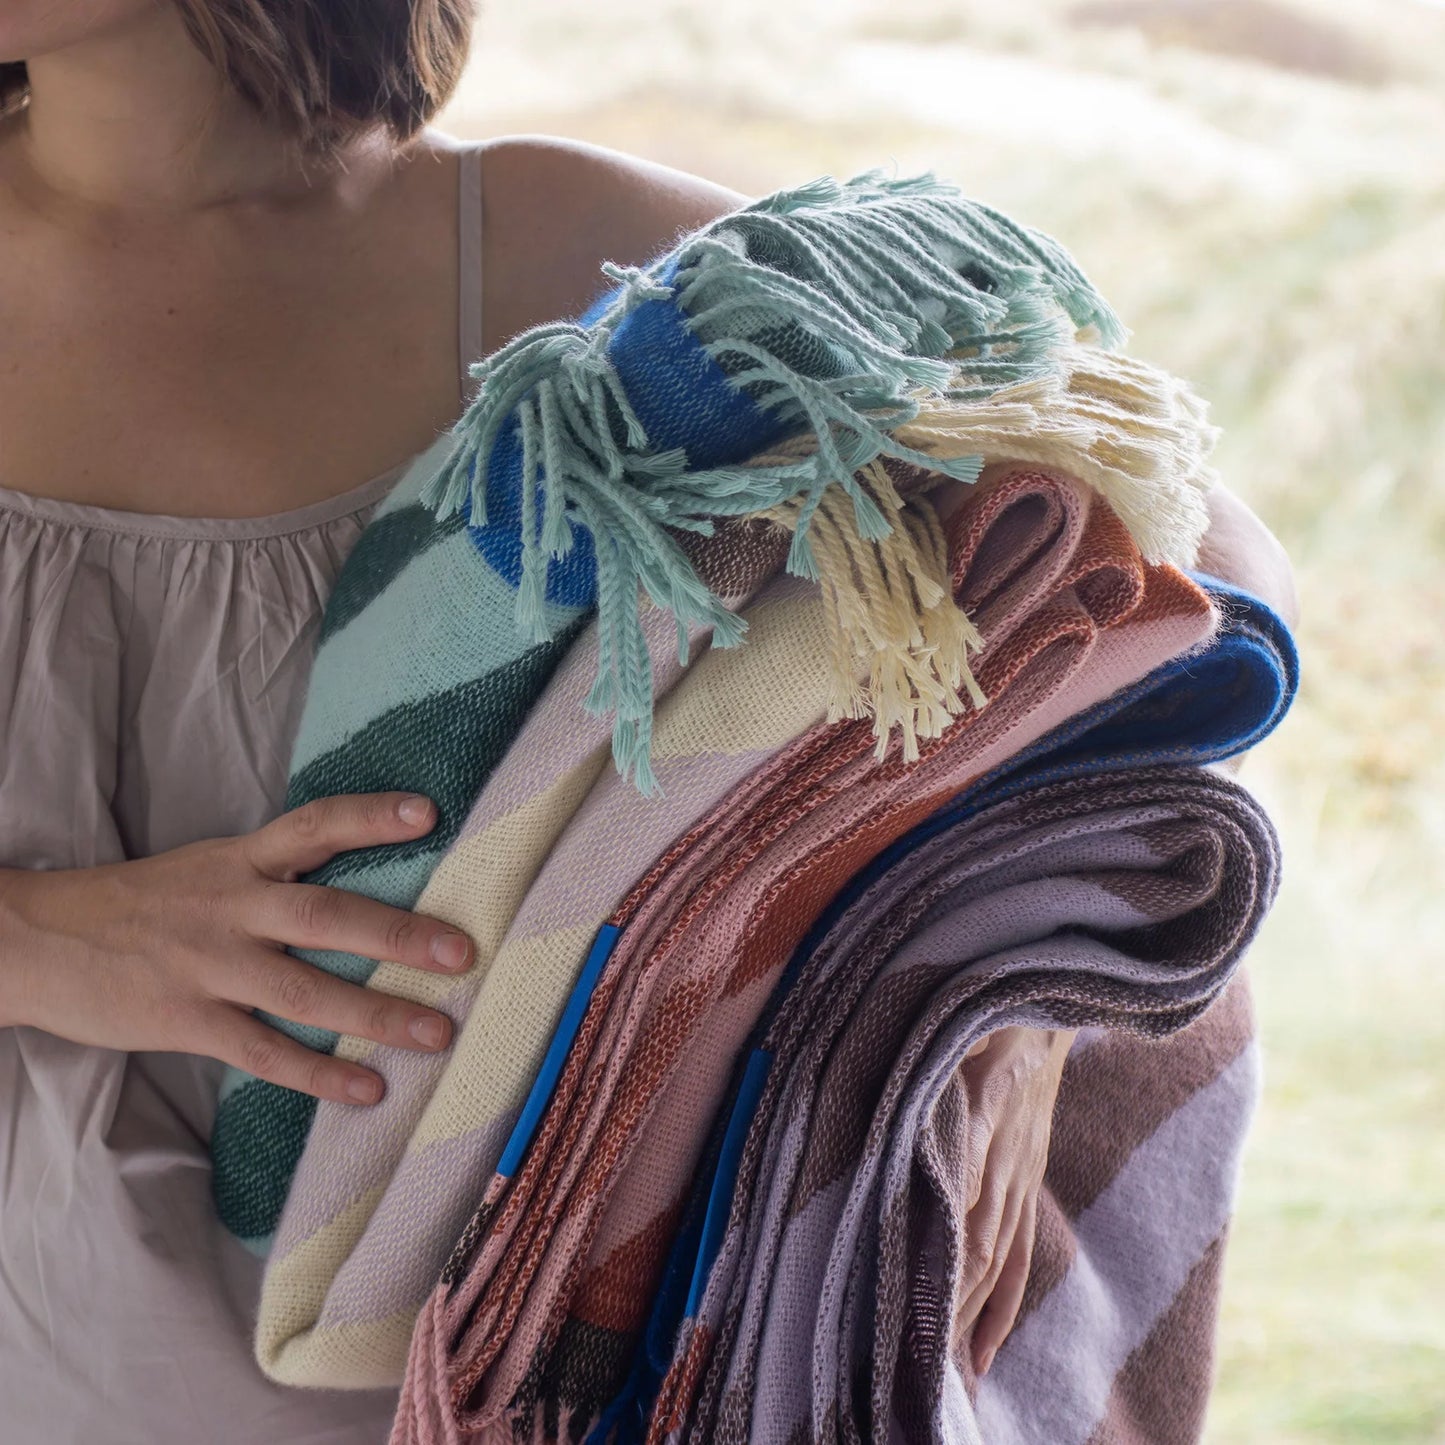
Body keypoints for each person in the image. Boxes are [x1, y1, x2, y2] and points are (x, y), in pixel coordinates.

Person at [0, 3, 1299, 1441]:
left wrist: (994, 992)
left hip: (427, 1380)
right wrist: (44, 941)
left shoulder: (553, 259)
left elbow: (1196, 568)